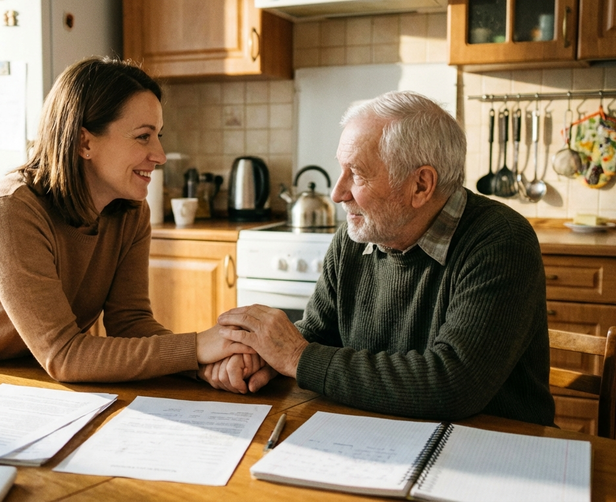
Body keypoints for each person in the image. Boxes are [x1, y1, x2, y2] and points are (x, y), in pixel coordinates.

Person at [0, 57, 252, 384]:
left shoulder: (130, 212)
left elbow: (131, 323)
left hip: (12, 379)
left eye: (158, 135)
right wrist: (197, 347)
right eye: (143, 137)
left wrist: (204, 366)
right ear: (84, 143)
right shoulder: (10, 211)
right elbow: (65, 355)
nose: (160, 154)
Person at [206, 91, 555, 426]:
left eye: (356, 173)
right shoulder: (355, 236)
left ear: (421, 185)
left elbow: (452, 384)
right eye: (341, 170)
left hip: (493, 445)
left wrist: (295, 357)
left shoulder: (501, 241)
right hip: (376, 430)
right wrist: (260, 358)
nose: (337, 193)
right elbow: (317, 335)